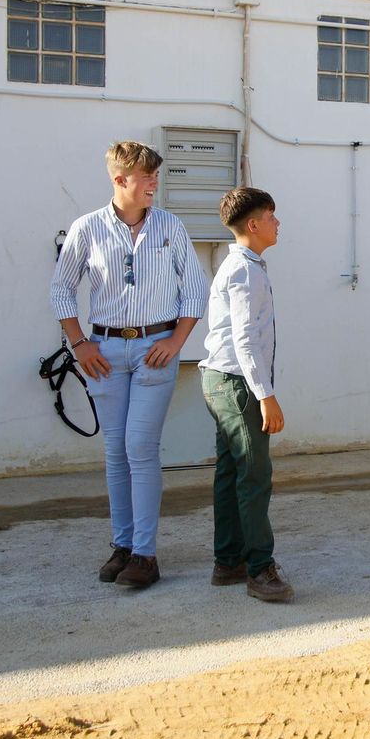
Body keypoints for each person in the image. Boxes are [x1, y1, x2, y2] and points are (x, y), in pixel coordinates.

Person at [50, 141, 206, 590]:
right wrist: (79, 343)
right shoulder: (87, 228)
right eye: (147, 176)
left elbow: (194, 289)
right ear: (120, 180)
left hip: (156, 347)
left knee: (140, 446)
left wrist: (178, 339)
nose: (155, 183)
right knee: (115, 451)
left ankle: (146, 553)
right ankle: (122, 546)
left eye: (157, 175)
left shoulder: (170, 227)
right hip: (105, 352)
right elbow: (61, 289)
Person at [198, 186, 293, 603]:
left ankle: (229, 561)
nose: (277, 223)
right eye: (272, 216)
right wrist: (265, 395)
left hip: (222, 379)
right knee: (254, 475)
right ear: (252, 225)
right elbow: (245, 341)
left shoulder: (245, 264)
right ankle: (259, 569)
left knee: (231, 474)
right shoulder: (245, 270)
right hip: (237, 384)